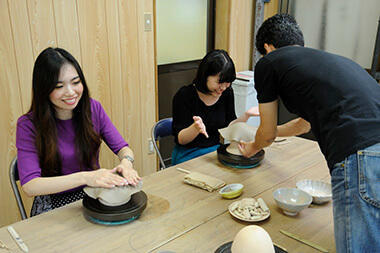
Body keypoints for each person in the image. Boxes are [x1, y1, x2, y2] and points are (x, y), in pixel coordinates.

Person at [238, 14, 380, 253]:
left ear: (266, 47)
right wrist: (261, 133)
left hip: (359, 154)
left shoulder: (269, 63)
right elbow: (302, 126)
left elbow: (268, 134)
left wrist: (253, 146)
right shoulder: (326, 62)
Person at [16, 47, 141, 216]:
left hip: (93, 194)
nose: (71, 92)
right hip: (53, 204)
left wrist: (126, 163)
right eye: (59, 86)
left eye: (75, 82)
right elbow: (31, 186)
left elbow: (123, 148)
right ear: (43, 89)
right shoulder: (28, 125)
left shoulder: (93, 109)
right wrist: (86, 177)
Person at [172, 49, 259, 165]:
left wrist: (246, 115)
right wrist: (195, 128)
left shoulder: (226, 93)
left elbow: (229, 127)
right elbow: (181, 140)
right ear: (205, 76)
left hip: (213, 153)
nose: (223, 87)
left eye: (228, 82)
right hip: (188, 155)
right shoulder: (184, 95)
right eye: (219, 82)